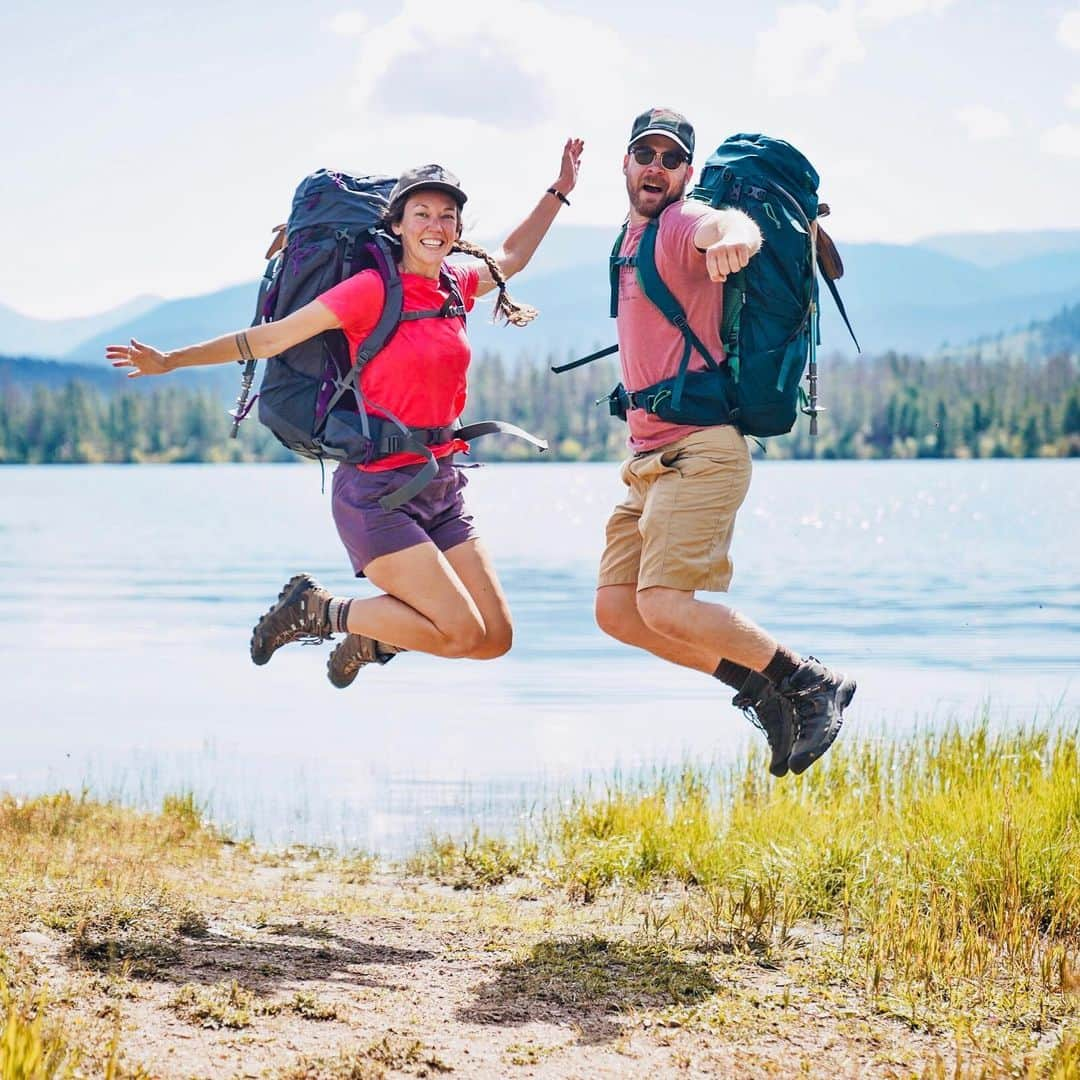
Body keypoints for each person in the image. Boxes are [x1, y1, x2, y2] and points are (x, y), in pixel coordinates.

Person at [108, 139, 584, 688]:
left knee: (493, 639)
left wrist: (558, 192)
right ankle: (317, 608)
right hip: (377, 494)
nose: (436, 225)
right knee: (457, 631)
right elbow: (269, 339)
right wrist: (173, 359)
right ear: (399, 224)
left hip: (441, 485)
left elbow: (513, 258)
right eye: (422, 213)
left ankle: (374, 637)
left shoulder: (456, 284)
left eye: (447, 216)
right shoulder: (370, 291)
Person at [592, 108, 855, 777]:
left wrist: (736, 236)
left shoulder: (684, 224)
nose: (655, 167)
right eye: (643, 154)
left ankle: (807, 681)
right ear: (624, 163)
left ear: (687, 172)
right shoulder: (629, 235)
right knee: (620, 611)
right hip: (648, 459)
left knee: (664, 603)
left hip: (699, 452)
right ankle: (765, 695)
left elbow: (723, 225)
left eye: (670, 159)